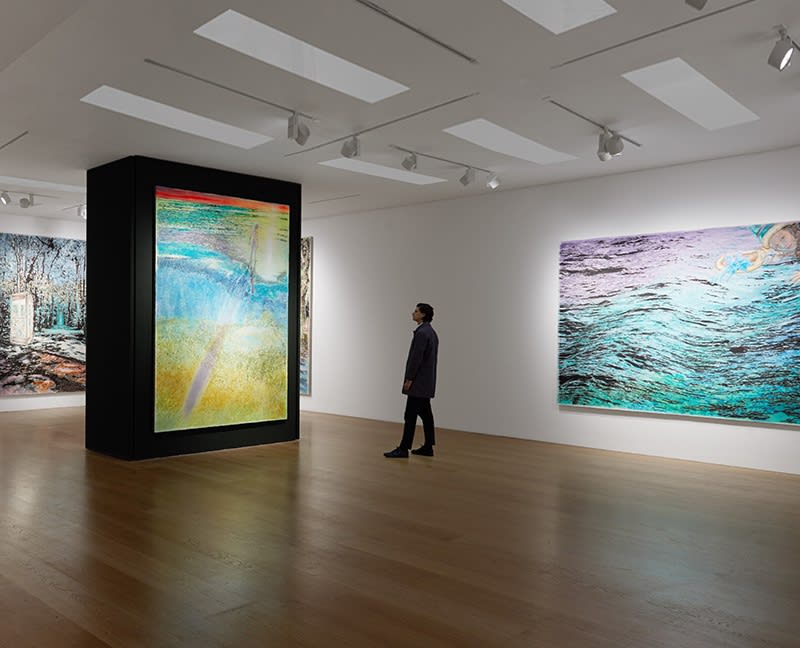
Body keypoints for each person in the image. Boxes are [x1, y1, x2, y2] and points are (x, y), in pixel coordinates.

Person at [384, 303, 439, 458]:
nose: (412, 313)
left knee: (410, 415)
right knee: (426, 414)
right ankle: (428, 447)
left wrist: (409, 379)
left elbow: (416, 359)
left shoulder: (422, 333)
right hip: (426, 382)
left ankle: (403, 448)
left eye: (416, 311)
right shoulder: (431, 332)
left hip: (418, 383)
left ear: (422, 315)